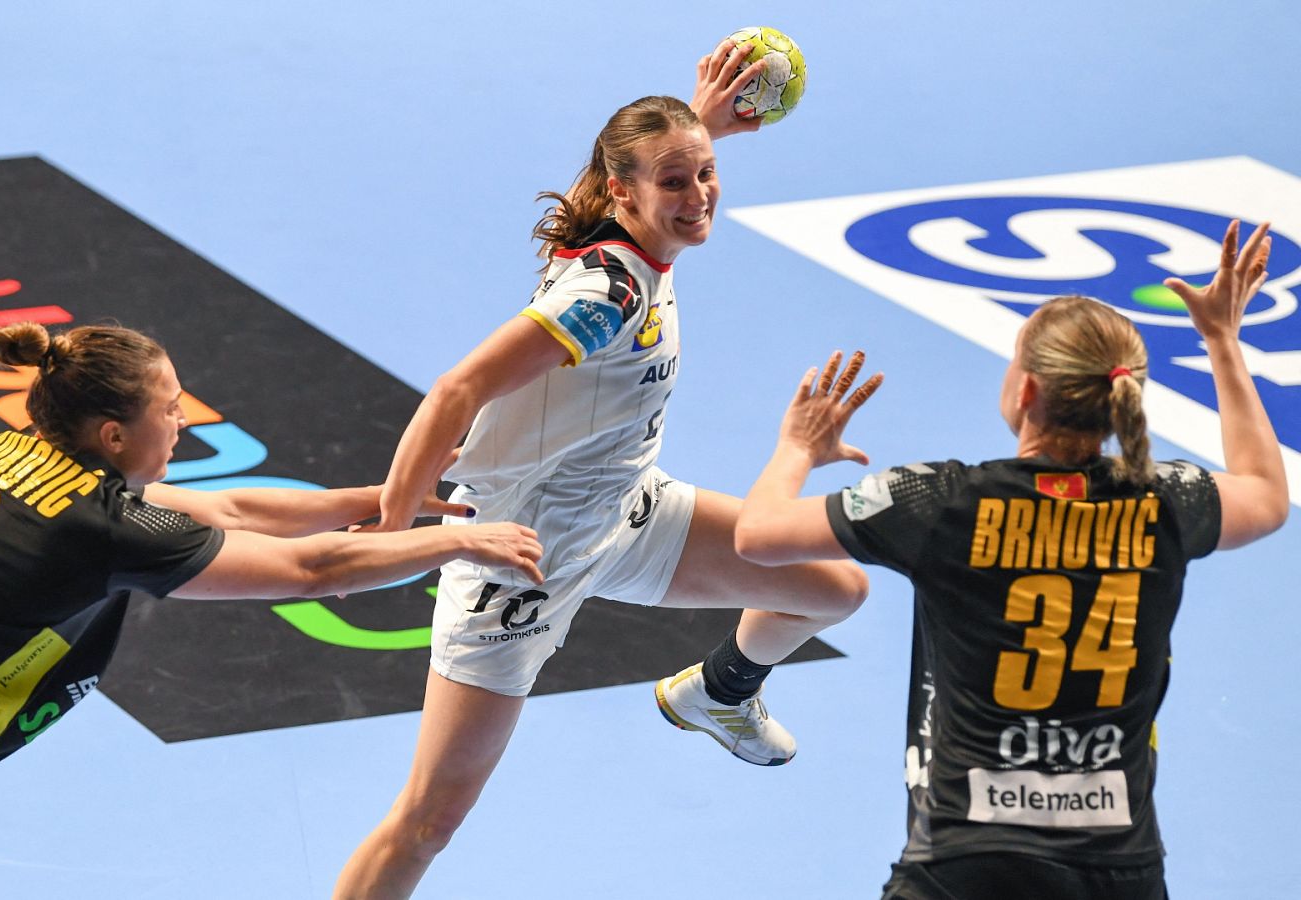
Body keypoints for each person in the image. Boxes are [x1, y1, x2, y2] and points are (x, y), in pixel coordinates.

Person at [0, 321, 545, 900]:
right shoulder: (100, 526)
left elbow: (238, 512)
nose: (182, 420)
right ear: (111, 433)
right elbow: (312, 568)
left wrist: (399, 498)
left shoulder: (4, 454)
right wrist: (465, 543)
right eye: (169, 408)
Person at [332, 43, 871, 900]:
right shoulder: (603, 295)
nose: (698, 197)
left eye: (704, 173)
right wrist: (393, 535)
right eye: (675, 181)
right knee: (428, 822)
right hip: (521, 562)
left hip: (626, 514)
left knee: (830, 587)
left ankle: (719, 694)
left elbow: (668, 166)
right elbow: (457, 388)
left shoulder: (636, 229)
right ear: (623, 190)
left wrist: (702, 124)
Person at [725, 220, 1286, 898]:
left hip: (965, 866)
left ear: (1025, 393)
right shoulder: (1168, 502)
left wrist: (799, 448)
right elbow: (1265, 494)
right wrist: (1222, 340)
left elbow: (757, 534)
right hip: (1121, 874)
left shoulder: (941, 502)